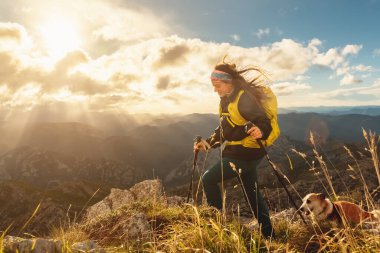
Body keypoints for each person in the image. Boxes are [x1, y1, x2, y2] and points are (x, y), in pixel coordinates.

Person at [194, 61, 275, 238]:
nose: (215, 90)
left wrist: (261, 130)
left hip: (245, 154)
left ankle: (217, 228)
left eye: (218, 85)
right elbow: (225, 128)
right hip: (245, 153)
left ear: (229, 81)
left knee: (208, 179)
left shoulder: (244, 98)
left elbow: (263, 121)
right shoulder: (225, 100)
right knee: (252, 195)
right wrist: (207, 143)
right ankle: (269, 235)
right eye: (213, 86)